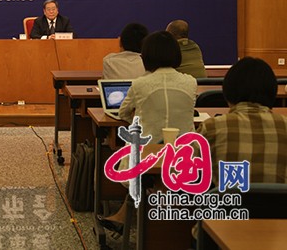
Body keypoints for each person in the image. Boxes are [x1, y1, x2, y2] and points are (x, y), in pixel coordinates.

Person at [98, 31, 197, 233]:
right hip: (185, 152)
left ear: (147, 56)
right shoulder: (190, 81)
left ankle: (129, 218)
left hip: (148, 153)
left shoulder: (141, 83)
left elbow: (123, 113)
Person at [198, 57, 287, 186]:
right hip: (279, 200)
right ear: (272, 92)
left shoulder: (212, 128)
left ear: (228, 92)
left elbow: (177, 169)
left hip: (229, 199)